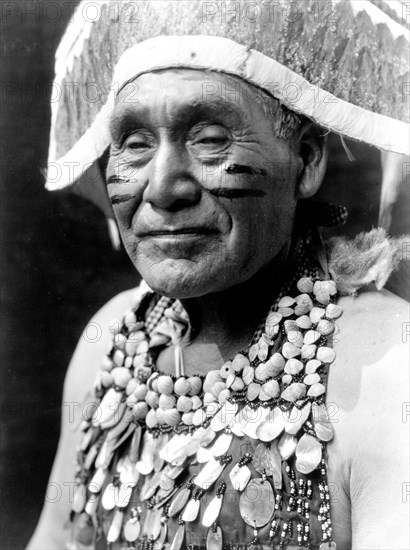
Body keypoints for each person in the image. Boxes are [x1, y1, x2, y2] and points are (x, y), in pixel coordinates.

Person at [29, 2, 409, 549]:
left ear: (304, 160)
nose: (162, 188)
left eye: (209, 137)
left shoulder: (388, 368)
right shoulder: (109, 345)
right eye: (134, 143)